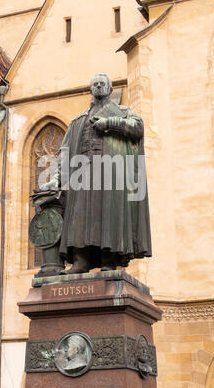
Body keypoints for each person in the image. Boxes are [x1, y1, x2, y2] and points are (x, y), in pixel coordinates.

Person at [41, 73, 152, 274]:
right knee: (79, 216)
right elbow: (64, 153)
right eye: (95, 84)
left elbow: (139, 128)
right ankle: (80, 261)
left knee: (109, 215)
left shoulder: (123, 112)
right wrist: (57, 179)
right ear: (91, 90)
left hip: (111, 173)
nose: (99, 86)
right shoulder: (78, 120)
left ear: (110, 89)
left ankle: (108, 261)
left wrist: (110, 123)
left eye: (103, 84)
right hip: (82, 175)